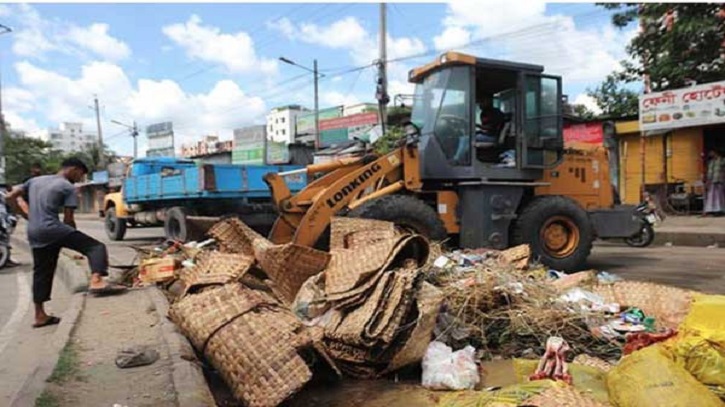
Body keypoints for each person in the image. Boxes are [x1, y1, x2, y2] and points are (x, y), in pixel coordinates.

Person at [6, 157, 126, 328]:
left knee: (42, 272)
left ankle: (40, 315)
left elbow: (11, 196)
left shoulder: (34, 181)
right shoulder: (67, 187)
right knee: (95, 247)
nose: (79, 180)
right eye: (80, 176)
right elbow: (69, 220)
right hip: (54, 228)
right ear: (74, 170)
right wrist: (73, 239)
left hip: (33, 231)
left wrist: (25, 214)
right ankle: (97, 280)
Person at [703, 149, 725, 216]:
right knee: (711, 196)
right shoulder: (711, 162)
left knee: (719, 196)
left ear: (715, 153)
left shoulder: (722, 160)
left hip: (719, 180)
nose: (710, 154)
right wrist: (707, 181)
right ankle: (711, 210)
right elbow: (709, 172)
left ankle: (720, 210)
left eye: (712, 152)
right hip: (712, 181)